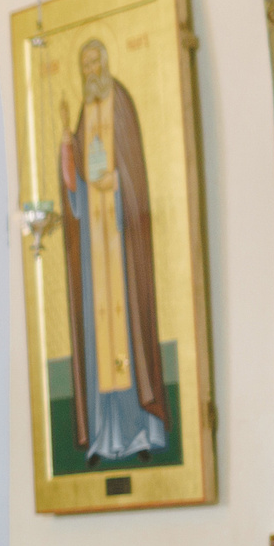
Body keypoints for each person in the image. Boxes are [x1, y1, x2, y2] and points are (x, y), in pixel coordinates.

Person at [57, 37, 168, 462]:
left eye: (94, 62)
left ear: (105, 63)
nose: (90, 71)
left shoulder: (119, 102)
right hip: (94, 245)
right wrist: (66, 148)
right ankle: (104, 436)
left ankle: (141, 431)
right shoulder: (84, 114)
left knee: (127, 328)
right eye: (83, 65)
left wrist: (116, 181)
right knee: (98, 334)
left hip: (120, 238)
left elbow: (133, 168)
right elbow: (76, 185)